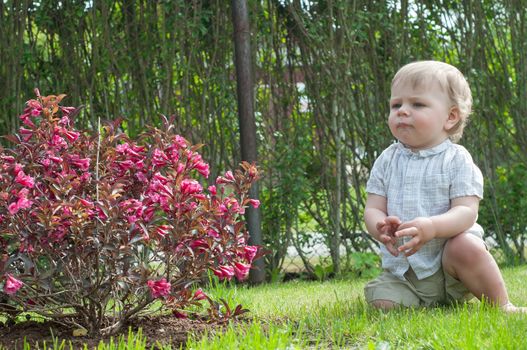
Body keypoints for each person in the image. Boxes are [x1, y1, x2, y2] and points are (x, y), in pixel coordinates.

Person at [363, 60, 525, 312]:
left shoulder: (457, 159)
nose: (402, 111)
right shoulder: (387, 159)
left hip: (453, 266)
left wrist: (432, 227)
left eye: (417, 104)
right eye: (396, 105)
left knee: (465, 245)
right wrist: (380, 226)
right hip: (406, 272)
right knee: (382, 302)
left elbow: (466, 212)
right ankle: (423, 299)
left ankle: (502, 305)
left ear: (450, 117)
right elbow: (373, 207)